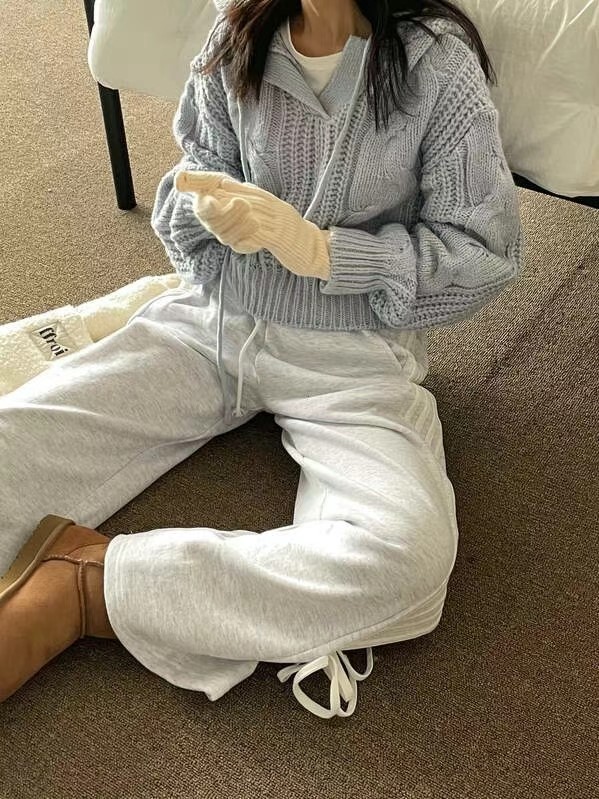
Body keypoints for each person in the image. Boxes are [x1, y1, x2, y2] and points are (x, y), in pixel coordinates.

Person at [0, 0, 523, 719]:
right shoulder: (237, 34)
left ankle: (86, 586)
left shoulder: (436, 67)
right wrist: (204, 212)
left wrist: (328, 254)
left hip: (351, 355)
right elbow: (193, 180)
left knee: (406, 559)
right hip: (213, 321)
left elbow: (484, 254)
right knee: (14, 437)